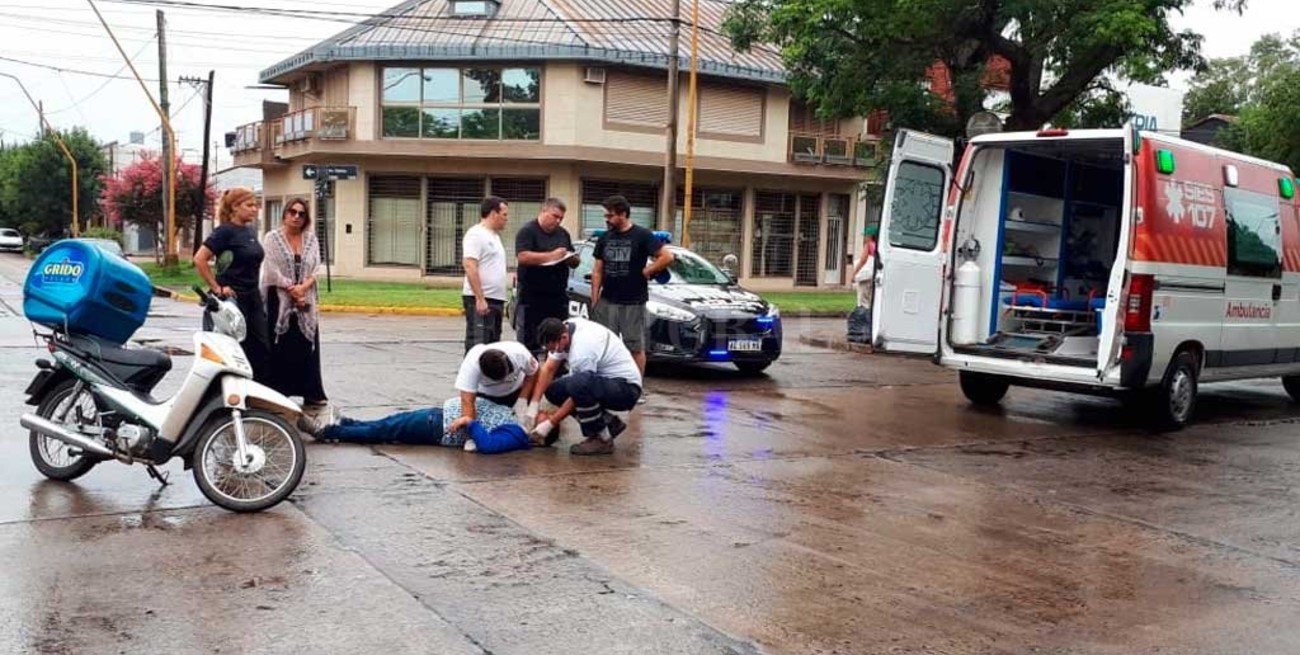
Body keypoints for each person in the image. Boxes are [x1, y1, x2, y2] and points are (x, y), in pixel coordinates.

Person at [528, 317, 643, 456]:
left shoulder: (582, 351)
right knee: (554, 391)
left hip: (625, 389)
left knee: (578, 384)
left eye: (554, 348)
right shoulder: (565, 328)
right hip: (603, 382)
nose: (554, 351)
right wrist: (533, 405)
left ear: (563, 338)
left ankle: (602, 438)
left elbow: (578, 391)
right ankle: (608, 424)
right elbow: (548, 369)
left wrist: (550, 424)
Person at [260, 198, 330, 428]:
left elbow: (316, 266)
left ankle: (311, 391)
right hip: (280, 298)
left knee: (306, 345)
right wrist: (291, 288)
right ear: (285, 214)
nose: (297, 217)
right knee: (281, 345)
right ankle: (279, 392)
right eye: (292, 212)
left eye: (301, 213)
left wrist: (303, 288)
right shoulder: (272, 238)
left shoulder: (311, 239)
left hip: (305, 299)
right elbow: (270, 269)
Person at [591, 195, 674, 377]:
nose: (607, 219)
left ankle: (635, 387)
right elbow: (597, 270)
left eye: (610, 216)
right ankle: (607, 383)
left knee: (634, 346)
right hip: (607, 300)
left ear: (623, 214)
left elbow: (667, 256)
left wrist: (648, 270)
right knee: (605, 344)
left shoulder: (642, 235)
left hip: (633, 301)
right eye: (606, 216)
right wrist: (595, 298)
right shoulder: (604, 238)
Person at [194, 187, 271, 382]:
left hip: (252, 297)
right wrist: (217, 288)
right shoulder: (225, 232)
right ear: (235, 207)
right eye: (249, 205)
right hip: (232, 300)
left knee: (261, 346)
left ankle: (257, 393)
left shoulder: (249, 231)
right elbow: (200, 259)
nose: (255, 209)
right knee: (233, 350)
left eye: (256, 205)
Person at [310, 397, 532, 455]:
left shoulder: (516, 435)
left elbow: (489, 445)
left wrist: (469, 422)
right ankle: (347, 424)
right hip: (438, 417)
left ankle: (330, 431)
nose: (542, 413)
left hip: (437, 426)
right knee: (389, 423)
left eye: (542, 417)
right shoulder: (515, 421)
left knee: (386, 430)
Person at [513, 198, 578, 356]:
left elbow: (574, 260)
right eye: (554, 216)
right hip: (532, 295)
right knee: (530, 340)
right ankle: (530, 372)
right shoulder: (528, 231)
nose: (557, 221)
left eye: (561, 218)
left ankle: (556, 372)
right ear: (543, 211)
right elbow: (523, 257)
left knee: (558, 336)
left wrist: (571, 258)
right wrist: (551, 256)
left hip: (557, 295)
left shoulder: (563, 234)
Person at [454, 341, 539, 441]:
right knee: (490, 428)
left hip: (516, 391)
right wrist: (472, 435)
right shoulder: (471, 364)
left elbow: (533, 373)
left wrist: (523, 398)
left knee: (524, 425)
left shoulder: (519, 352)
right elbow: (467, 401)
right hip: (486, 396)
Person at [462, 196, 510, 353]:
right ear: (493, 214)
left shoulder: (494, 236)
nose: (506, 219)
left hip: (496, 298)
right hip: (482, 298)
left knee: (492, 346)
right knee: (478, 345)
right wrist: (480, 298)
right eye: (504, 215)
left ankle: (487, 377)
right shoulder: (476, 234)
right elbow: (470, 265)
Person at [850, 225, 880, 309]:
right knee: (871, 300)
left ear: (870, 236)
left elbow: (863, 260)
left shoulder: (868, 245)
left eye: (865, 235)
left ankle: (863, 319)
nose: (864, 238)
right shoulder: (879, 246)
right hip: (874, 276)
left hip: (865, 276)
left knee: (863, 301)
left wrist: (854, 273)